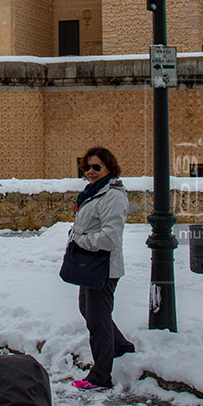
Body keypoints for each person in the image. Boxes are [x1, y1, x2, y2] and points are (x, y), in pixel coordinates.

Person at [69, 146, 133, 391]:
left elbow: (109, 238)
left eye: (97, 167)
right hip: (91, 265)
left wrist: (79, 240)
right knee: (88, 309)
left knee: (98, 320)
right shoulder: (93, 193)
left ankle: (100, 376)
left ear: (109, 168)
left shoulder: (113, 196)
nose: (90, 171)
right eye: (87, 167)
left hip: (104, 267)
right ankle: (121, 346)